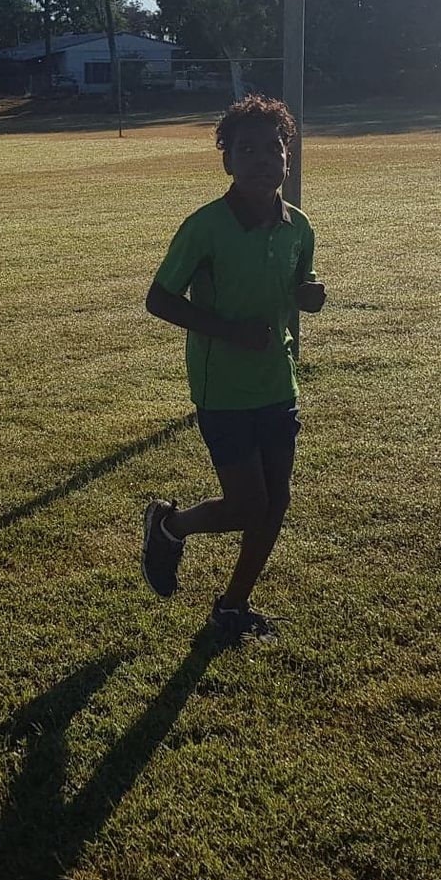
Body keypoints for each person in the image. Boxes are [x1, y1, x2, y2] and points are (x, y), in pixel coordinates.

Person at [139, 95, 326, 644]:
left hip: (277, 381)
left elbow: (296, 287)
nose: (263, 160)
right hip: (222, 387)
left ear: (287, 158)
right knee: (248, 504)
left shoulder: (298, 226)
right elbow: (159, 299)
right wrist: (230, 331)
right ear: (227, 161)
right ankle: (170, 525)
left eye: (275, 148)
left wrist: (308, 296)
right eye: (247, 149)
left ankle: (232, 607)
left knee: (277, 501)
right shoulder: (205, 227)